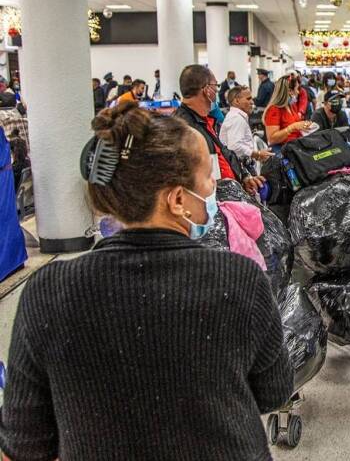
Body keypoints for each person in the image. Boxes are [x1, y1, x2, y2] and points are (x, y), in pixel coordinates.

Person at [0, 101, 295, 460]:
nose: (213, 187)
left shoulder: (47, 291)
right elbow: (274, 390)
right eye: (208, 178)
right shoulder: (238, 278)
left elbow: (25, 441)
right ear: (176, 199)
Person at [173, 64, 264, 194]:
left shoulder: (207, 121)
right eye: (216, 86)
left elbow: (224, 151)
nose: (217, 91)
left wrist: (244, 176)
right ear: (207, 90)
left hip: (228, 192)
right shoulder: (184, 128)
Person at [220, 86, 273, 170]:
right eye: (248, 99)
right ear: (237, 101)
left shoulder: (237, 117)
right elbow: (234, 146)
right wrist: (257, 154)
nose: (252, 102)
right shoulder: (236, 118)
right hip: (239, 168)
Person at [262, 74, 312, 148]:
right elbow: (272, 139)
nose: (298, 92)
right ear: (289, 91)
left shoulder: (291, 105)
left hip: (295, 146)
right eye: (297, 89)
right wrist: (292, 127)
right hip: (283, 150)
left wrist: (304, 125)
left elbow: (296, 124)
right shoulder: (274, 109)